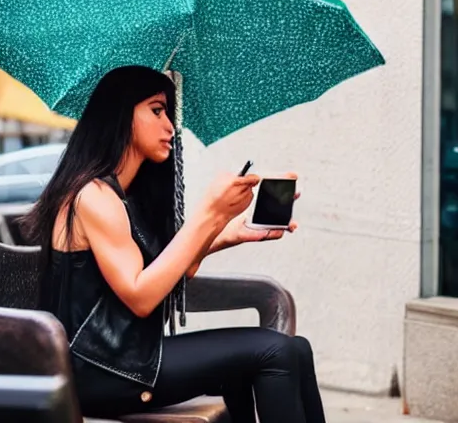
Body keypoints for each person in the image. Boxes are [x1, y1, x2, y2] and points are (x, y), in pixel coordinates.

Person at [21, 65, 326, 423]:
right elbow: (141, 296)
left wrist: (228, 231)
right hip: (98, 369)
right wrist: (209, 215)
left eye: (168, 112)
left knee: (296, 350)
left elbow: (167, 269)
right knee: (275, 352)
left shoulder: (123, 196)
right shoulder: (92, 196)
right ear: (122, 115)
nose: (170, 126)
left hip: (126, 357)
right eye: (156, 110)